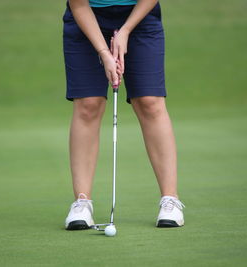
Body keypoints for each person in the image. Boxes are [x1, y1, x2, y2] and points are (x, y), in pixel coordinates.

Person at [63, 0, 185, 230]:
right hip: (86, 18)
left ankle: (171, 200)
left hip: (141, 15)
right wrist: (103, 51)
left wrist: (126, 30)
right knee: (88, 104)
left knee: (150, 102)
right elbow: (78, 4)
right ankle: (82, 202)